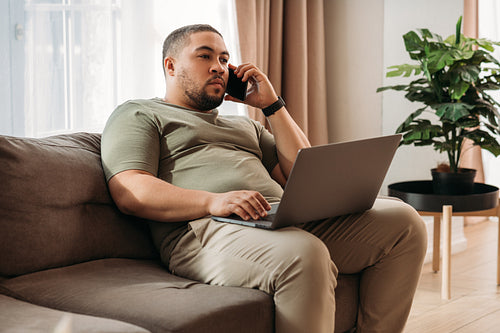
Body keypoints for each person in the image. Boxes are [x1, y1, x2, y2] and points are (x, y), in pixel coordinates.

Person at [101, 24, 427, 333]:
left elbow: (301, 174)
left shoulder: (245, 126)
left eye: (225, 59)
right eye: (205, 56)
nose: (219, 67)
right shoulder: (140, 114)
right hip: (204, 228)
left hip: (276, 219)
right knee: (305, 253)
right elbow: (130, 189)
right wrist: (214, 200)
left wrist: (272, 105)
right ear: (170, 66)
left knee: (403, 221)